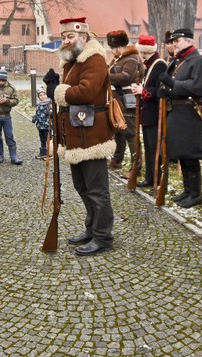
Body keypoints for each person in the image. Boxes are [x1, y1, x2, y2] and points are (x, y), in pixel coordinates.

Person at [45, 17, 116, 256]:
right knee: (82, 187)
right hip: (76, 136)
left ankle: (103, 236)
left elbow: (87, 91)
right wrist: (54, 87)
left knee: (97, 190)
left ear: (83, 38)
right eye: (63, 37)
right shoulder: (72, 61)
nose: (66, 41)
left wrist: (58, 91)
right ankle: (91, 229)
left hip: (92, 135)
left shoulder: (94, 59)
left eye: (70, 37)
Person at [158, 28, 202, 209]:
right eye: (173, 41)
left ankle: (195, 194)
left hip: (190, 112)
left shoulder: (199, 61)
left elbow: (198, 87)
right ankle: (187, 190)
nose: (174, 44)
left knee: (190, 155)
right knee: (181, 153)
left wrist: (173, 84)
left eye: (177, 41)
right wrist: (165, 90)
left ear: (189, 41)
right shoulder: (179, 61)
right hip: (178, 111)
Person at [131, 35, 167, 189]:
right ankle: (149, 177)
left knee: (154, 149)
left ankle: (156, 179)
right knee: (148, 148)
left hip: (155, 113)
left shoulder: (159, 65)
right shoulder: (149, 64)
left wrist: (143, 91)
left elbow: (160, 90)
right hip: (148, 113)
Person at [106, 30, 143, 171]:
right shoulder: (119, 59)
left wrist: (106, 76)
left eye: (114, 48)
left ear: (121, 47)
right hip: (118, 101)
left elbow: (126, 77)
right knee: (119, 132)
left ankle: (136, 167)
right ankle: (117, 160)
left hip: (128, 100)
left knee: (130, 134)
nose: (113, 51)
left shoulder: (132, 58)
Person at [32, 87, 51, 159]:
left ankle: (50, 152)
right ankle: (43, 152)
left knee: (48, 139)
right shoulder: (39, 104)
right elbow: (37, 113)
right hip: (40, 126)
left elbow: (51, 114)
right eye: (40, 95)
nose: (42, 96)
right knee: (42, 139)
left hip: (47, 125)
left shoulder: (49, 104)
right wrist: (34, 118)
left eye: (44, 94)